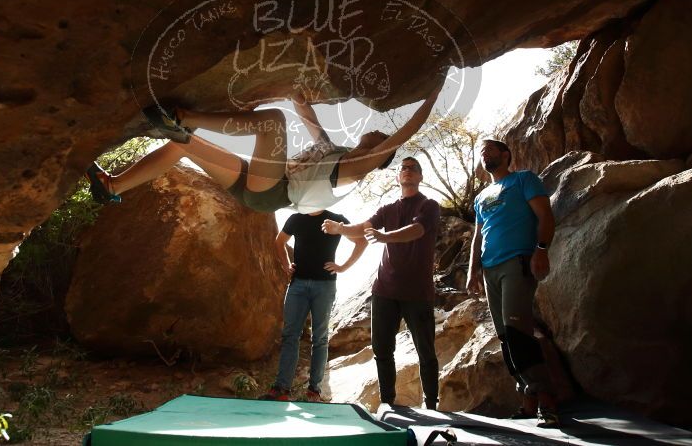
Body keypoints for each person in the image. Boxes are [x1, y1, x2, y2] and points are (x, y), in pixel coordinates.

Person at [85, 86, 441, 214]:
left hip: (272, 192)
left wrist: (434, 93)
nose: (379, 129)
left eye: (383, 137)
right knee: (183, 148)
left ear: (382, 152)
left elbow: (405, 133)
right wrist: (296, 92)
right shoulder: (332, 152)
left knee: (272, 121)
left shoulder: (358, 168)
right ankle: (112, 186)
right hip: (255, 187)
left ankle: (183, 116)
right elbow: (307, 115)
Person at [322, 157, 440, 411]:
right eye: (403, 168)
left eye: (413, 168)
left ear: (420, 176)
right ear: (398, 177)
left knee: (426, 352)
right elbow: (364, 228)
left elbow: (417, 230)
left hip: (417, 292)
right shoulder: (387, 208)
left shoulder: (429, 205)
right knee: (382, 350)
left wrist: (385, 236)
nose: (407, 171)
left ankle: (431, 405)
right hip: (385, 290)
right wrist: (340, 229)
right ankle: (388, 404)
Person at [466, 139, 560, 428]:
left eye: (490, 150)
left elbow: (545, 215)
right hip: (490, 269)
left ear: (506, 155)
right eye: (481, 153)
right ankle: (528, 401)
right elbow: (478, 236)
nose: (485, 155)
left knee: (518, 330)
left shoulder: (523, 180)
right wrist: (473, 270)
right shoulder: (481, 197)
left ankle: (547, 402)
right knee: (506, 337)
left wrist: (541, 249)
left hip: (517, 262)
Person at [260, 209, 367, 402]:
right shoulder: (296, 218)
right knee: (290, 335)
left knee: (320, 338)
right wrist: (286, 264)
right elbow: (279, 241)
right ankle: (281, 389)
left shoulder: (337, 219)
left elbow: (362, 240)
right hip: (297, 285)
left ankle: (314, 391)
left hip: (325, 286)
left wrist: (343, 267)